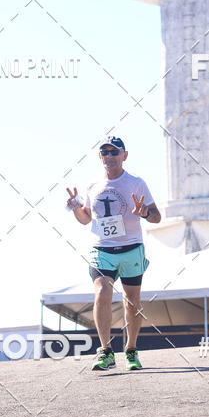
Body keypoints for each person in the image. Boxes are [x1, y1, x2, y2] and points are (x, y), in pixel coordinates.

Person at [66, 136, 161, 371]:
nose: (109, 157)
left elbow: (157, 217)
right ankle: (106, 351)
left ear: (124, 155)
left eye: (114, 152)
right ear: (100, 157)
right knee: (103, 290)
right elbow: (86, 219)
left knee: (132, 302)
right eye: (105, 153)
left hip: (131, 248)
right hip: (102, 248)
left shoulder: (136, 183)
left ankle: (131, 350)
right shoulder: (92, 185)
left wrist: (144, 213)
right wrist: (76, 208)